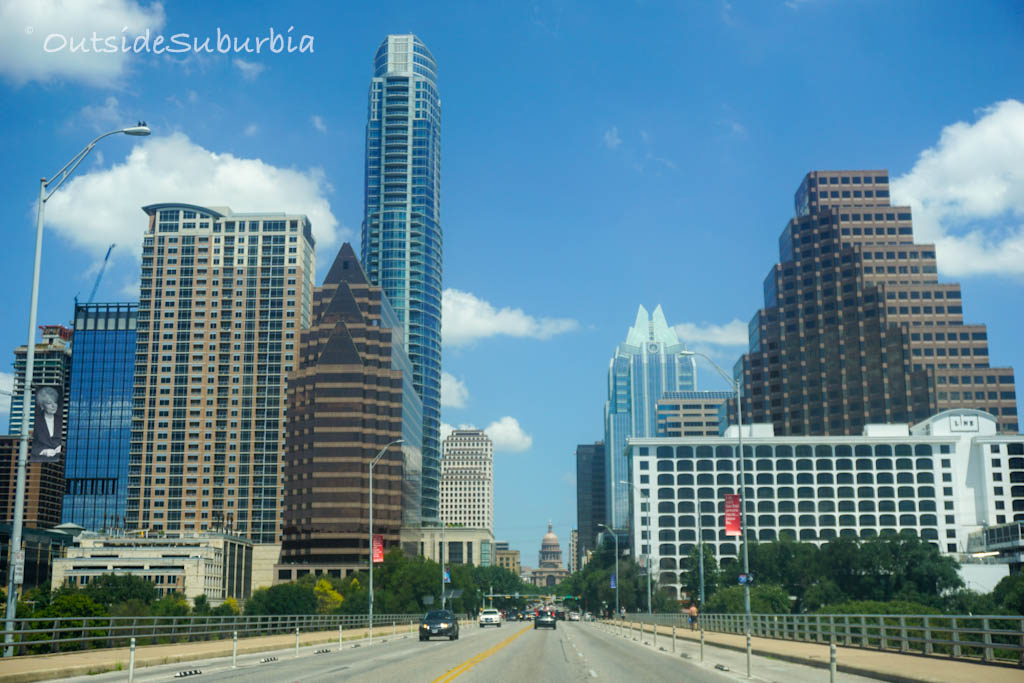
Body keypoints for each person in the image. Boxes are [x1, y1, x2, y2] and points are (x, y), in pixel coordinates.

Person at [31, 386, 62, 461]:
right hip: (40, 460)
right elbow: (30, 443)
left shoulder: (61, 421)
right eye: (49, 403)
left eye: (55, 402)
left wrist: (62, 447)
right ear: (42, 405)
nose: (53, 406)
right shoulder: (35, 422)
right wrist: (43, 451)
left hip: (58, 461)